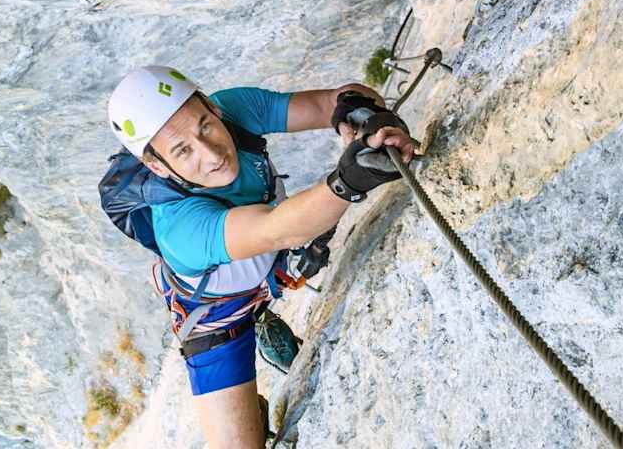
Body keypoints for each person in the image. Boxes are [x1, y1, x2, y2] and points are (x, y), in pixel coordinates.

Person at [102, 66, 416, 448]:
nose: (212, 153)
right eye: (183, 151)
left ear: (211, 108)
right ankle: (256, 370)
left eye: (205, 125)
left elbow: (327, 101)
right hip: (217, 321)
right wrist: (349, 179)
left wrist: (361, 116)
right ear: (156, 166)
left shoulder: (232, 109)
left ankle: (265, 320)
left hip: (262, 259)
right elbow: (278, 229)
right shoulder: (181, 228)